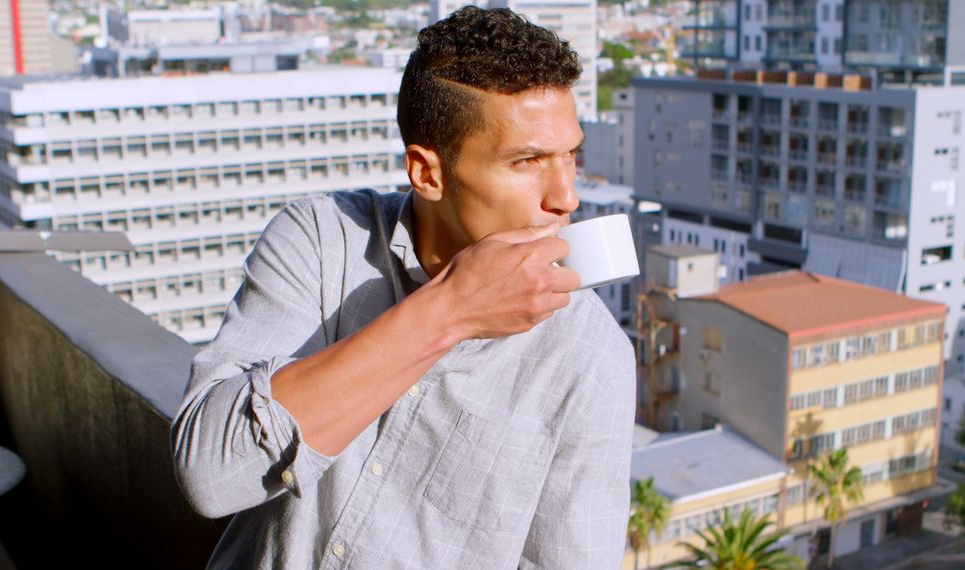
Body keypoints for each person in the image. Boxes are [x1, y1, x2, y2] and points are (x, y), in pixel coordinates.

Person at [171, 6, 636, 569]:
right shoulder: (322, 240)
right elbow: (210, 476)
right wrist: (449, 312)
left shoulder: (589, 354)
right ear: (427, 172)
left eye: (570, 156)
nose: (566, 197)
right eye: (528, 160)